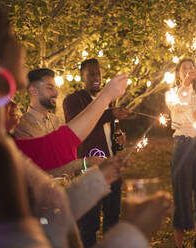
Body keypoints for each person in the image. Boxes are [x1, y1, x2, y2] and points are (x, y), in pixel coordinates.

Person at [0, 1, 171, 247]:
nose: (21, 48)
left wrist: (97, 179)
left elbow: (47, 216)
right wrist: (134, 231)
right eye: (11, 36)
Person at [63, 58, 130, 247]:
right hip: (88, 172)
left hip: (111, 169)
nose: (97, 77)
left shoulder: (108, 102)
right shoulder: (73, 100)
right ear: (82, 77)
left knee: (112, 223)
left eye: (99, 73)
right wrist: (110, 113)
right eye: (91, 73)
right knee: (89, 225)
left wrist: (119, 140)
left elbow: (109, 134)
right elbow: (78, 126)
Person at [166, 59, 196, 248]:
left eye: (191, 67)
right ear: (179, 74)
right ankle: (179, 243)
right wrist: (185, 86)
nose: (188, 71)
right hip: (183, 144)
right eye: (184, 69)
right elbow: (177, 111)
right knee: (181, 193)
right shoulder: (174, 94)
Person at [14, 68, 63, 138]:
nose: (56, 93)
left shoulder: (58, 121)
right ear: (33, 91)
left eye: (55, 88)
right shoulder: (22, 126)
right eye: (50, 88)